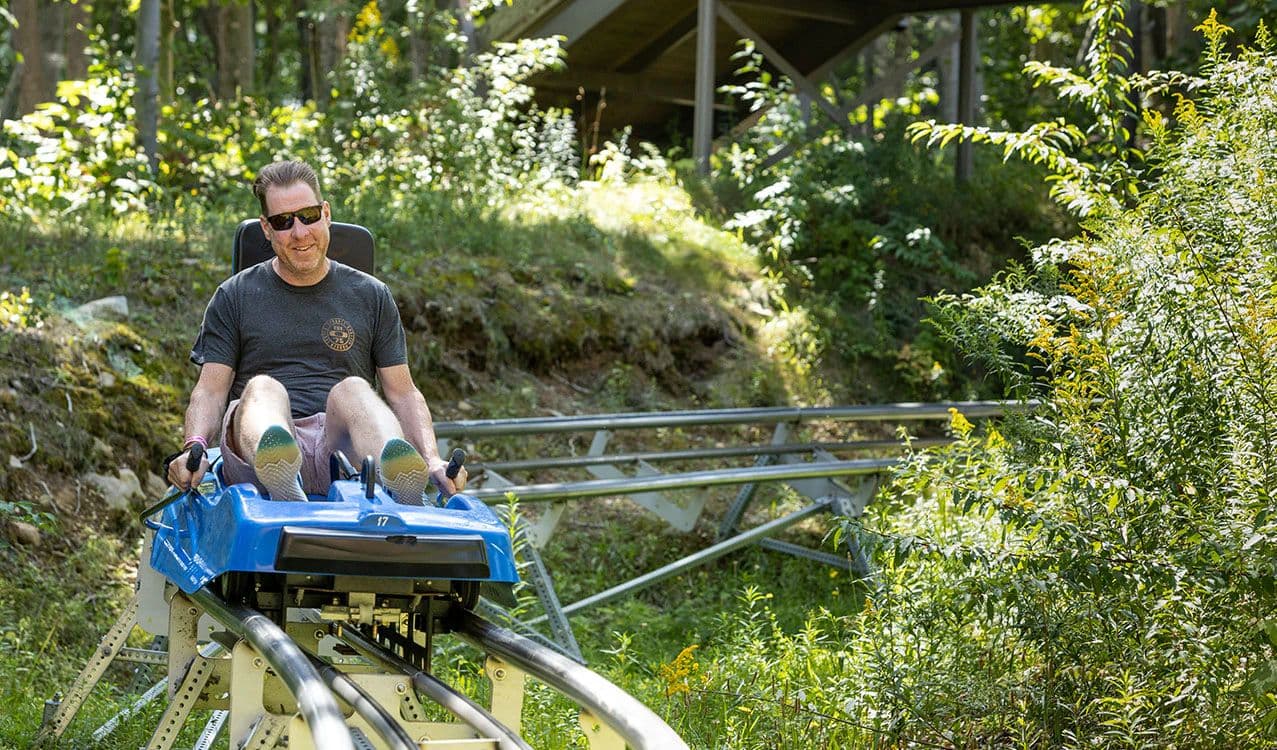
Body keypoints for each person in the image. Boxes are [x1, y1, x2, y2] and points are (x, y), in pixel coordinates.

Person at [165, 159, 457, 504]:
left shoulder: (371, 295)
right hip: (258, 444)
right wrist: (195, 446)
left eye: (308, 216)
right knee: (263, 387)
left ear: (326, 213)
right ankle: (282, 477)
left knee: (353, 389)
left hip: (343, 454)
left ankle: (397, 476)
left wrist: (432, 457)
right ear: (266, 228)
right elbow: (211, 391)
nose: (300, 233)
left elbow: (403, 393)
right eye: (283, 222)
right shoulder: (234, 295)